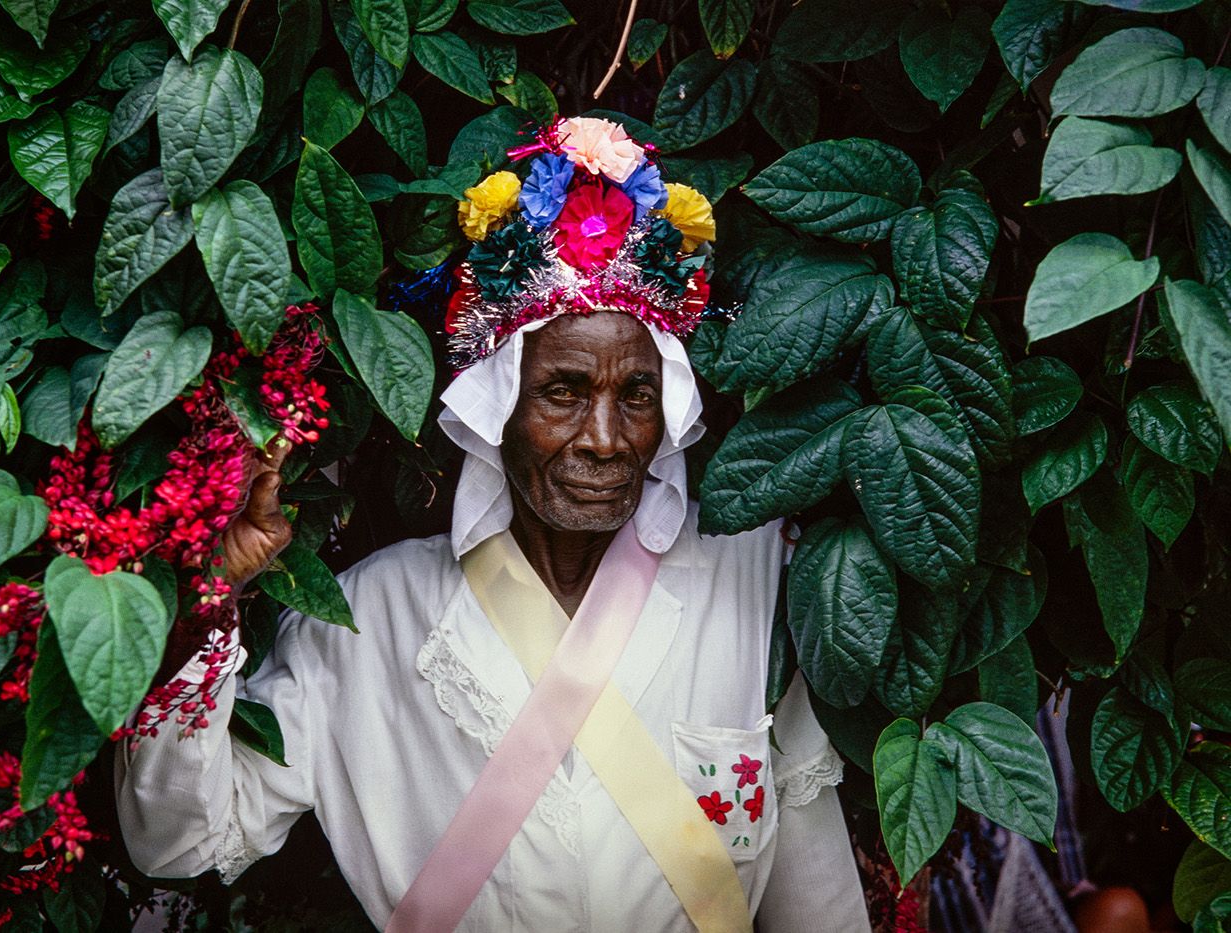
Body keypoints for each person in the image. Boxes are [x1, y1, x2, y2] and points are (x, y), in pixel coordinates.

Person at [116, 116, 870, 932]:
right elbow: (179, 840)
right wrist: (206, 600)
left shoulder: (756, 577)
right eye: (564, 392)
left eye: (637, 396)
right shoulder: (368, 621)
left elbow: (816, 890)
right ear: (496, 408)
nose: (606, 439)